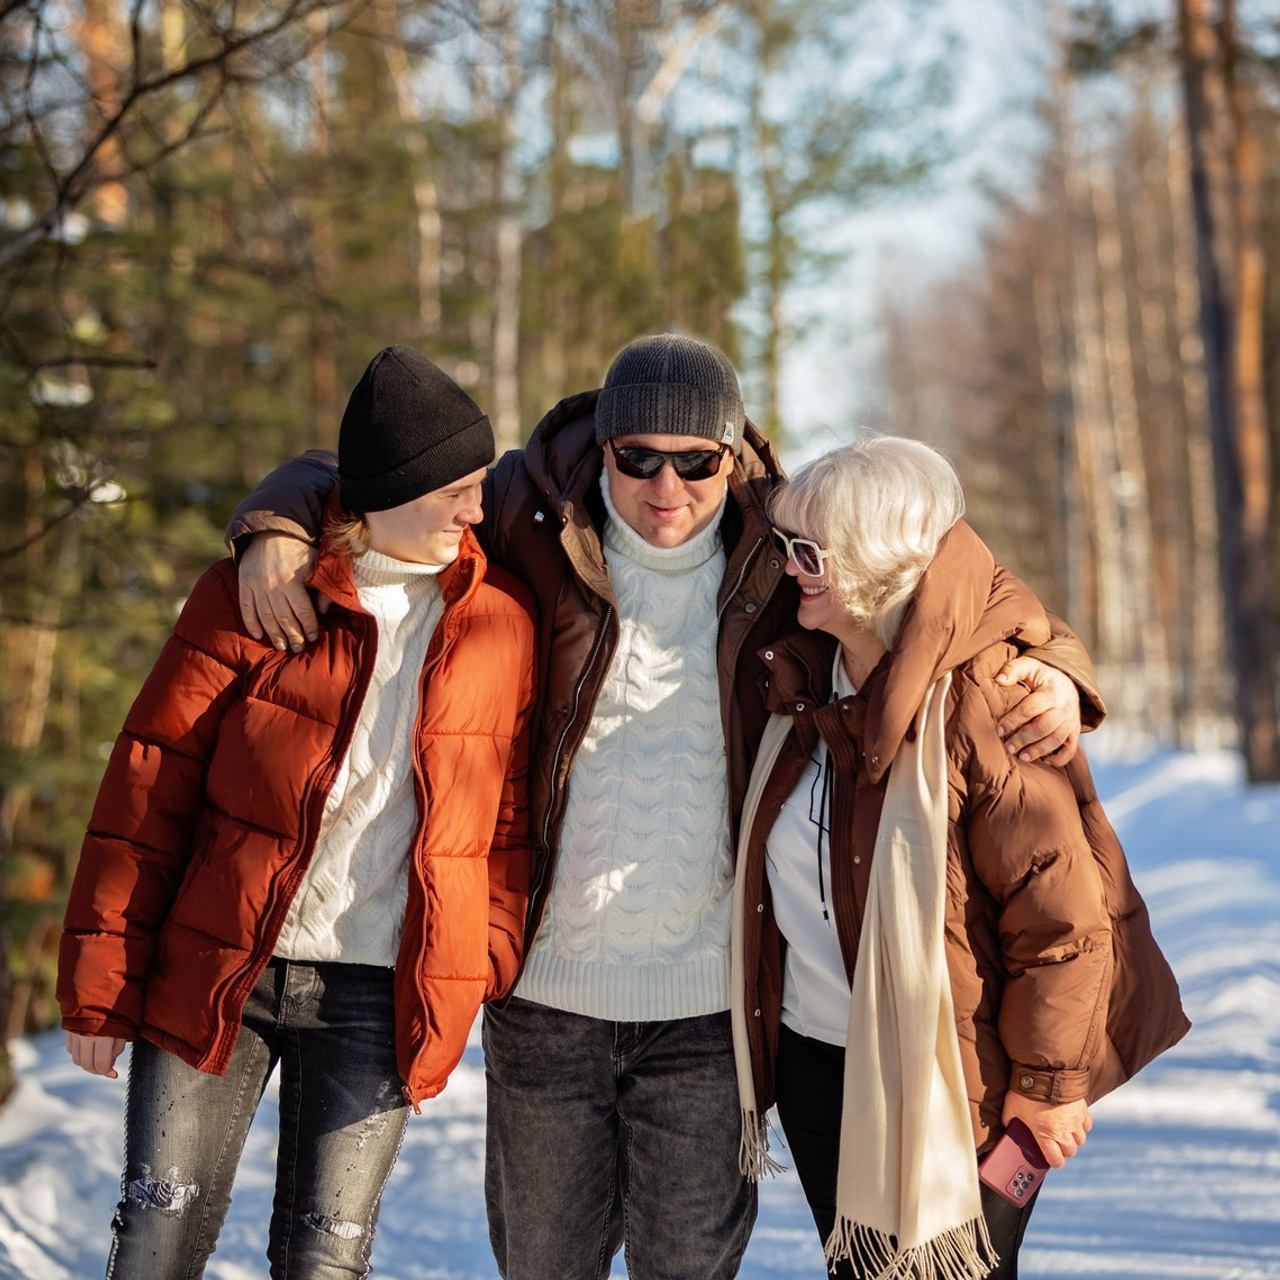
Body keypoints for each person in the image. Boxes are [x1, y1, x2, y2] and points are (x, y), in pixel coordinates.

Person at [225, 334, 1100, 1280]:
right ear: (602, 447)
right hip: (546, 1000)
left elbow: (951, 562)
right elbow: (378, 465)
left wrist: (1052, 661)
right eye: (636, 457)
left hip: (706, 1014)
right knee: (543, 1265)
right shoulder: (528, 512)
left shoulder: (784, 543)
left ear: (732, 455)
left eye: (695, 462)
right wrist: (274, 521)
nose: (665, 486)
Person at [57, 346, 537, 1280]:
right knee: (157, 1240)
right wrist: (100, 979)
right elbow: (147, 789)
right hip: (222, 962)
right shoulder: (255, 598)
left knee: (326, 1263)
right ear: (397, 488)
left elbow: (511, 825)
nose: (480, 510)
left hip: (375, 993)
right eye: (461, 490)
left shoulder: (499, 625)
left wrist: (481, 956)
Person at [729, 436, 1190, 1280]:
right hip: (819, 1060)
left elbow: (1062, 920)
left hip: (962, 1075)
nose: (786, 567)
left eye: (807, 553)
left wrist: (1048, 1088)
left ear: (876, 566)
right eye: (783, 546)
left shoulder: (989, 700)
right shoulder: (802, 672)